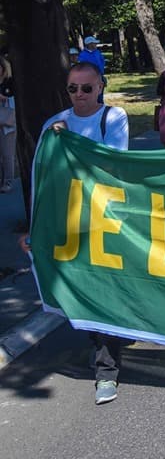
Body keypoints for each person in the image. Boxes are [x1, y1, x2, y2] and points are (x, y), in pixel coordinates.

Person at [20, 61, 129, 405]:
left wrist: (68, 142)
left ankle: (106, 372)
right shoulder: (53, 124)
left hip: (103, 222)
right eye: (72, 89)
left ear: (100, 87)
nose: (79, 95)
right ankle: (108, 339)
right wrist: (33, 229)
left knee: (103, 293)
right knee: (83, 294)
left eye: (86, 88)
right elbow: (43, 182)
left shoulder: (113, 118)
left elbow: (112, 165)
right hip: (68, 224)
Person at [0, 57, 15, 193]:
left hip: (7, 123)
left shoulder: (9, 83)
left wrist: (3, 97)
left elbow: (13, 100)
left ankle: (8, 182)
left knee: (7, 154)